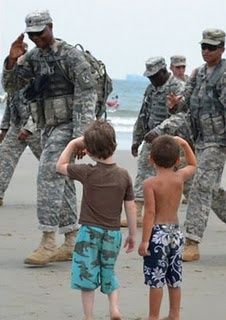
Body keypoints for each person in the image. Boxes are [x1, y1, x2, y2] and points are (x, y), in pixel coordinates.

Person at [2, 10, 97, 265]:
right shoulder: (32, 57)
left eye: (40, 33)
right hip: (48, 126)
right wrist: (11, 62)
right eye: (32, 34)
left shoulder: (71, 56)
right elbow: (12, 87)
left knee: (48, 173)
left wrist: (81, 137)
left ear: (51, 28)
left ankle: (47, 239)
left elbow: (87, 95)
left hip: (69, 126)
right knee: (63, 179)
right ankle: (71, 238)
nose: (36, 39)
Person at [145, 28, 226, 262]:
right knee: (197, 186)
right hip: (198, 140)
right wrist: (174, 104)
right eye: (203, 47)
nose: (206, 51)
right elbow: (185, 105)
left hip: (218, 141)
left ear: (221, 48)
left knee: (201, 184)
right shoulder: (198, 73)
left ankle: (191, 241)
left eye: (211, 47)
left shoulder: (223, 74)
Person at [56, 120, 136, 320]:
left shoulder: (87, 172)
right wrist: (133, 234)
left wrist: (74, 144)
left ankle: (89, 317)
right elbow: (131, 206)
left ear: (89, 152)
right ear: (115, 145)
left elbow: (60, 166)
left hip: (88, 233)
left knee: (87, 274)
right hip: (113, 233)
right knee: (109, 270)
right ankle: (114, 308)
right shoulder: (124, 175)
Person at [138, 135, 196, 320]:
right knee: (174, 278)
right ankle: (174, 315)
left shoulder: (150, 184)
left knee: (156, 280)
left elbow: (150, 214)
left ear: (151, 159)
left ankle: (153, 316)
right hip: (176, 234)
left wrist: (145, 240)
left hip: (158, 235)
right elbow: (194, 166)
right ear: (178, 160)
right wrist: (185, 144)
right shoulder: (179, 178)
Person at [121, 57, 184, 227]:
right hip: (152, 140)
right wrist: (136, 139)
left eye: (154, 76)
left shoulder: (177, 87)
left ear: (164, 72)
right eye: (149, 77)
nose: (152, 80)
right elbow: (143, 115)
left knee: (183, 180)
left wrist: (160, 130)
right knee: (143, 171)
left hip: (175, 141)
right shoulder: (151, 89)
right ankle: (138, 214)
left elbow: (182, 116)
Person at [0, 48, 42, 207]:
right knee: (4, 158)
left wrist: (29, 128)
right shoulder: (13, 81)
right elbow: (11, 106)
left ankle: (61, 197)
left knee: (50, 163)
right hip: (16, 126)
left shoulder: (35, 77)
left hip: (36, 128)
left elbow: (42, 105)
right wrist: (4, 129)